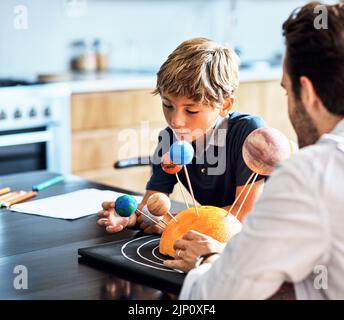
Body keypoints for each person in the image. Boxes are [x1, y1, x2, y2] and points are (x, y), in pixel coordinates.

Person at [165, 2, 344, 300]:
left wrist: (208, 260)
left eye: (287, 90)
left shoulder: (310, 175)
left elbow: (212, 298)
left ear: (308, 94)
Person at [97, 38, 266, 236]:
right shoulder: (170, 139)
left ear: (225, 105)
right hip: (213, 238)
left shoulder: (248, 133)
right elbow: (153, 205)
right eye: (168, 105)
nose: (175, 121)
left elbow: (244, 214)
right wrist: (132, 217)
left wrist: (176, 222)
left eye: (191, 110)